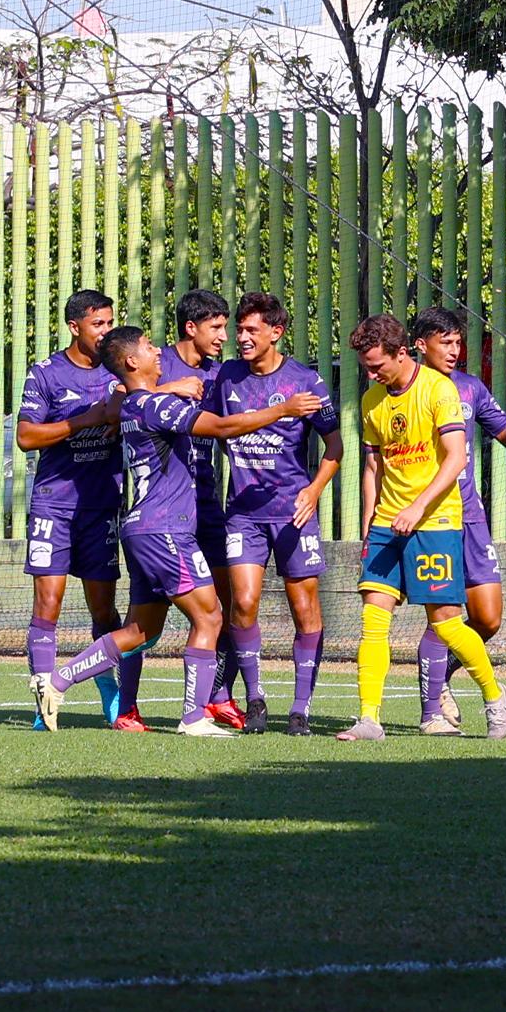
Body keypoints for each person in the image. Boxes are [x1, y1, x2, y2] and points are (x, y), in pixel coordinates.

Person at [33, 327, 320, 737]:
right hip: (166, 529)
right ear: (133, 361)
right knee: (210, 616)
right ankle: (193, 716)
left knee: (139, 632)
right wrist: (283, 410)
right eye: (150, 347)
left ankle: (56, 682)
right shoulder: (153, 406)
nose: (158, 351)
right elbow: (221, 428)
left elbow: (153, 401)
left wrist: (179, 387)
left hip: (142, 529)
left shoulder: (135, 405)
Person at [343, 314, 506, 741]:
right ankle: (369, 718)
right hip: (387, 524)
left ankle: (493, 696)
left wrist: (417, 508)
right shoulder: (372, 401)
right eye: (366, 366)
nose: (371, 373)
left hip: (435, 522)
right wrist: (369, 523)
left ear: (402, 353)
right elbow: (373, 464)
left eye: (377, 364)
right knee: (373, 620)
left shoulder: (440, 390)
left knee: (448, 624)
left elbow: (456, 459)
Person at [205, 292, 342, 736]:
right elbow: (212, 424)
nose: (241, 338)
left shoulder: (306, 381)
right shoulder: (226, 377)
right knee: (242, 602)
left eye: (250, 330)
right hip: (242, 514)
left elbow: (334, 447)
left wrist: (315, 489)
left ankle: (301, 707)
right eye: (239, 330)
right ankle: (256, 698)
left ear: (275, 332)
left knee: (305, 610)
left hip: (292, 514)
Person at [408, 307, 506, 734]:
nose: (454, 350)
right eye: (444, 342)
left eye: (457, 342)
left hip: (469, 517)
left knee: (487, 618)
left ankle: (439, 672)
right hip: (428, 521)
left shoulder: (469, 388)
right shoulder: (405, 388)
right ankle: (435, 703)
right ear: (420, 344)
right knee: (442, 614)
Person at [16, 290, 128, 729]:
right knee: (48, 603)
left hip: (101, 506)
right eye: (98, 324)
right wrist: (86, 419)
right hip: (53, 506)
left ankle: (109, 691)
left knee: (104, 610)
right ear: (75, 327)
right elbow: (27, 437)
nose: (105, 332)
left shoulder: (119, 367)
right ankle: (44, 699)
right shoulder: (46, 373)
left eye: (109, 323)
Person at [157, 288, 240, 729]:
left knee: (226, 602)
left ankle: (218, 697)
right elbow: (122, 395)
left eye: (226, 327)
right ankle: (125, 705)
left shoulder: (220, 373)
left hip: (206, 504)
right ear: (191, 328)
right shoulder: (157, 364)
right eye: (216, 327)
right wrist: (169, 387)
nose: (223, 336)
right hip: (162, 514)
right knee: (145, 620)